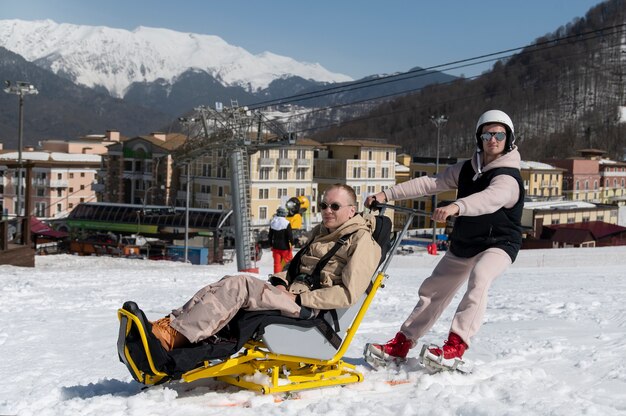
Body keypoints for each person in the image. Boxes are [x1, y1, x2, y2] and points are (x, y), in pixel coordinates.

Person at [364, 109, 524, 369]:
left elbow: (490, 199)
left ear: (509, 138)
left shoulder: (508, 176)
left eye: (499, 134)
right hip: (466, 240)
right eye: (487, 134)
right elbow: (430, 183)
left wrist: (456, 207)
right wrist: (386, 195)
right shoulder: (466, 169)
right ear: (479, 138)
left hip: (499, 243)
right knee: (433, 290)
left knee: (480, 277)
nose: (492, 139)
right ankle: (402, 342)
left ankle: (456, 345)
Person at [151, 184, 382, 351]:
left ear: (352, 210)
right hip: (292, 295)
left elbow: (348, 294)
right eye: (324, 205)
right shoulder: (322, 233)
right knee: (227, 282)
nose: (327, 210)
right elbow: (294, 268)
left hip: (312, 310)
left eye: (334, 206)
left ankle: (176, 337)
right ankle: (170, 324)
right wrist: (281, 282)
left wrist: (299, 299)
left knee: (241, 286)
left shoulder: (362, 242)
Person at [268, 206, 294, 273]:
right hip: (285, 247)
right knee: (288, 262)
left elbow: (270, 235)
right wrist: (292, 244)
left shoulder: (273, 222)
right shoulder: (286, 223)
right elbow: (290, 235)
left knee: (277, 264)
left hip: (275, 247)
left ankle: (277, 277)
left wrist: (271, 245)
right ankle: (288, 275)